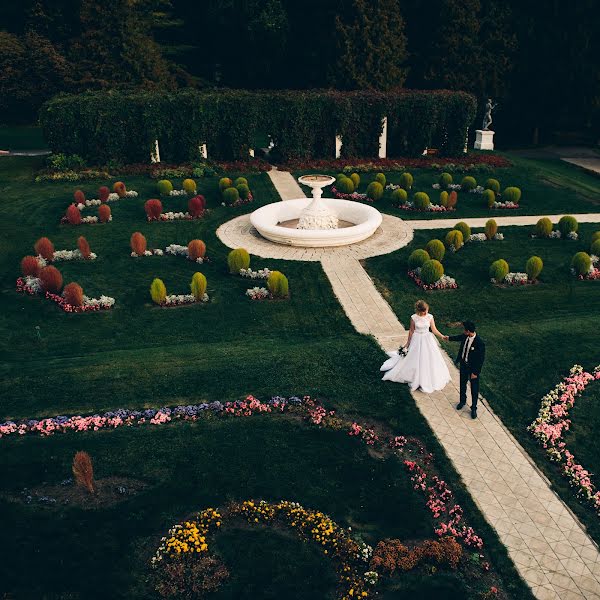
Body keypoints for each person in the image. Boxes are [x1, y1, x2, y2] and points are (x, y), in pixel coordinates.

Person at [380, 300, 451, 393]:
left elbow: (433, 329)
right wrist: (408, 343)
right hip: (416, 339)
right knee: (414, 358)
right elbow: (411, 331)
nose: (426, 313)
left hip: (427, 339)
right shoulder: (414, 318)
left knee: (428, 358)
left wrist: (442, 336)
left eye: (427, 310)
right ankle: (413, 376)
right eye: (424, 311)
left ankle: (427, 378)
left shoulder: (430, 317)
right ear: (419, 310)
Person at [447, 321, 486, 419]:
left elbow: (480, 359)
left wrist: (475, 373)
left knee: (474, 388)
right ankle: (462, 401)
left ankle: (473, 408)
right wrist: (448, 338)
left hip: (473, 369)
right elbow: (458, 337)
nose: (463, 331)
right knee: (462, 384)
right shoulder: (465, 336)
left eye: (464, 330)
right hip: (464, 365)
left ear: (468, 331)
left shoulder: (479, 343)